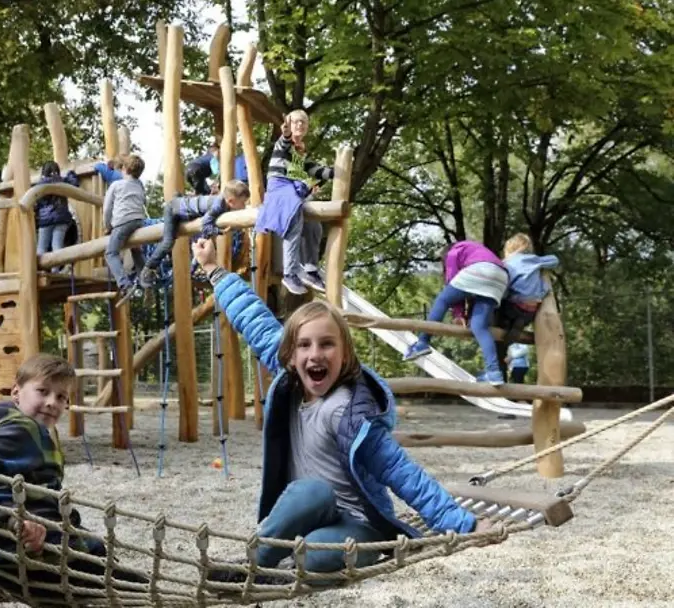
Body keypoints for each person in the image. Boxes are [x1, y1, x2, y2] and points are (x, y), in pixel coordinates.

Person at [189, 238, 486, 581]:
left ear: (344, 355)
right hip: (311, 513)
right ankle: (254, 564)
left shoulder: (350, 413)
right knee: (311, 492)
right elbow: (251, 317)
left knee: (314, 555)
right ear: (289, 355)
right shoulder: (290, 381)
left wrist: (465, 524)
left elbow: (405, 475)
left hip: (360, 526)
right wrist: (213, 269)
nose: (315, 354)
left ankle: (276, 567)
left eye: (327, 344)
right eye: (304, 345)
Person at [0, 354, 145, 600]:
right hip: (24, 557)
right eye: (42, 391)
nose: (51, 402)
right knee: (124, 584)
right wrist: (16, 518)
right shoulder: (22, 429)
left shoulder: (4, 426)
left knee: (100, 558)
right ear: (16, 392)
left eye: (61, 397)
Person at [403, 241, 509, 385]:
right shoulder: (475, 250)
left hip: (480, 270)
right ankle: (494, 373)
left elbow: (452, 282)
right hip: (501, 277)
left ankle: (422, 342)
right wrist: (460, 315)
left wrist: (457, 314)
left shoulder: (453, 251)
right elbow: (460, 291)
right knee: (479, 326)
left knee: (442, 300)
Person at [255, 110, 332, 295]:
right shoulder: (282, 147)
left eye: (304, 123)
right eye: (297, 122)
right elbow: (285, 140)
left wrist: (342, 170)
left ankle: (310, 268)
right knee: (295, 220)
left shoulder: (301, 158)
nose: (300, 125)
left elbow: (321, 172)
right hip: (281, 190)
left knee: (315, 226)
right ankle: (290, 272)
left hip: (295, 193)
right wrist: (287, 133)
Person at [137, 180, 251, 288]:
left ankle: (191, 269)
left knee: (199, 242)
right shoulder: (218, 205)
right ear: (231, 201)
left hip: (183, 211)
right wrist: (220, 231)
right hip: (173, 211)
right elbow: (205, 225)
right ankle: (148, 269)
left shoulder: (224, 203)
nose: (244, 206)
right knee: (168, 242)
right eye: (243, 203)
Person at [498, 233, 559, 342]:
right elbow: (554, 260)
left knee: (500, 302)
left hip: (514, 305)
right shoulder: (533, 259)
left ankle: (506, 323)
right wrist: (541, 263)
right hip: (532, 308)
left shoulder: (506, 263)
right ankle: (519, 322)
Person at [102, 154, 147, 297]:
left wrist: (108, 226)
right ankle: (146, 282)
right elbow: (144, 202)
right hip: (139, 221)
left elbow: (107, 209)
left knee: (111, 253)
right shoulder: (139, 185)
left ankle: (124, 284)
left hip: (122, 222)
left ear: (125, 169)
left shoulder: (116, 185)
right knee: (136, 250)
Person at [35, 161, 80, 272]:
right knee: (57, 246)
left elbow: (37, 203)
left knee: (42, 247)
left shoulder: (40, 184)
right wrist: (71, 172)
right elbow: (74, 183)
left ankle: (40, 270)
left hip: (45, 220)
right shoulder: (62, 181)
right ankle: (56, 271)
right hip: (61, 219)